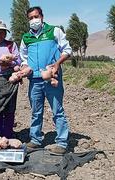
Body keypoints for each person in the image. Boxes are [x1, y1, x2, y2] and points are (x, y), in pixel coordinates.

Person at [19, 6, 72, 154]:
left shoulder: (54, 31)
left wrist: (57, 63)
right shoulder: (26, 38)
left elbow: (67, 50)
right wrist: (24, 67)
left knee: (57, 110)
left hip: (52, 78)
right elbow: (22, 57)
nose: (34, 20)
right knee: (36, 111)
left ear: (42, 17)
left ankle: (62, 142)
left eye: (36, 17)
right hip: (34, 80)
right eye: (30, 18)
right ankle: (35, 140)